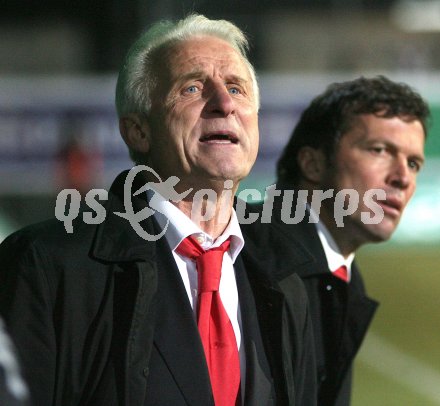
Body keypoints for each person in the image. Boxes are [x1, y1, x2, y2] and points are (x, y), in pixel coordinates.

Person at [0, 14, 317, 406]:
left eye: (236, 88)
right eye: (193, 88)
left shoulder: (288, 279)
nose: (223, 104)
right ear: (137, 130)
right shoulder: (45, 268)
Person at [242, 76, 430, 406]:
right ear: (313, 163)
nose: (402, 177)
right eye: (380, 150)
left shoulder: (342, 275)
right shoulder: (242, 254)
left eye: (413, 163)